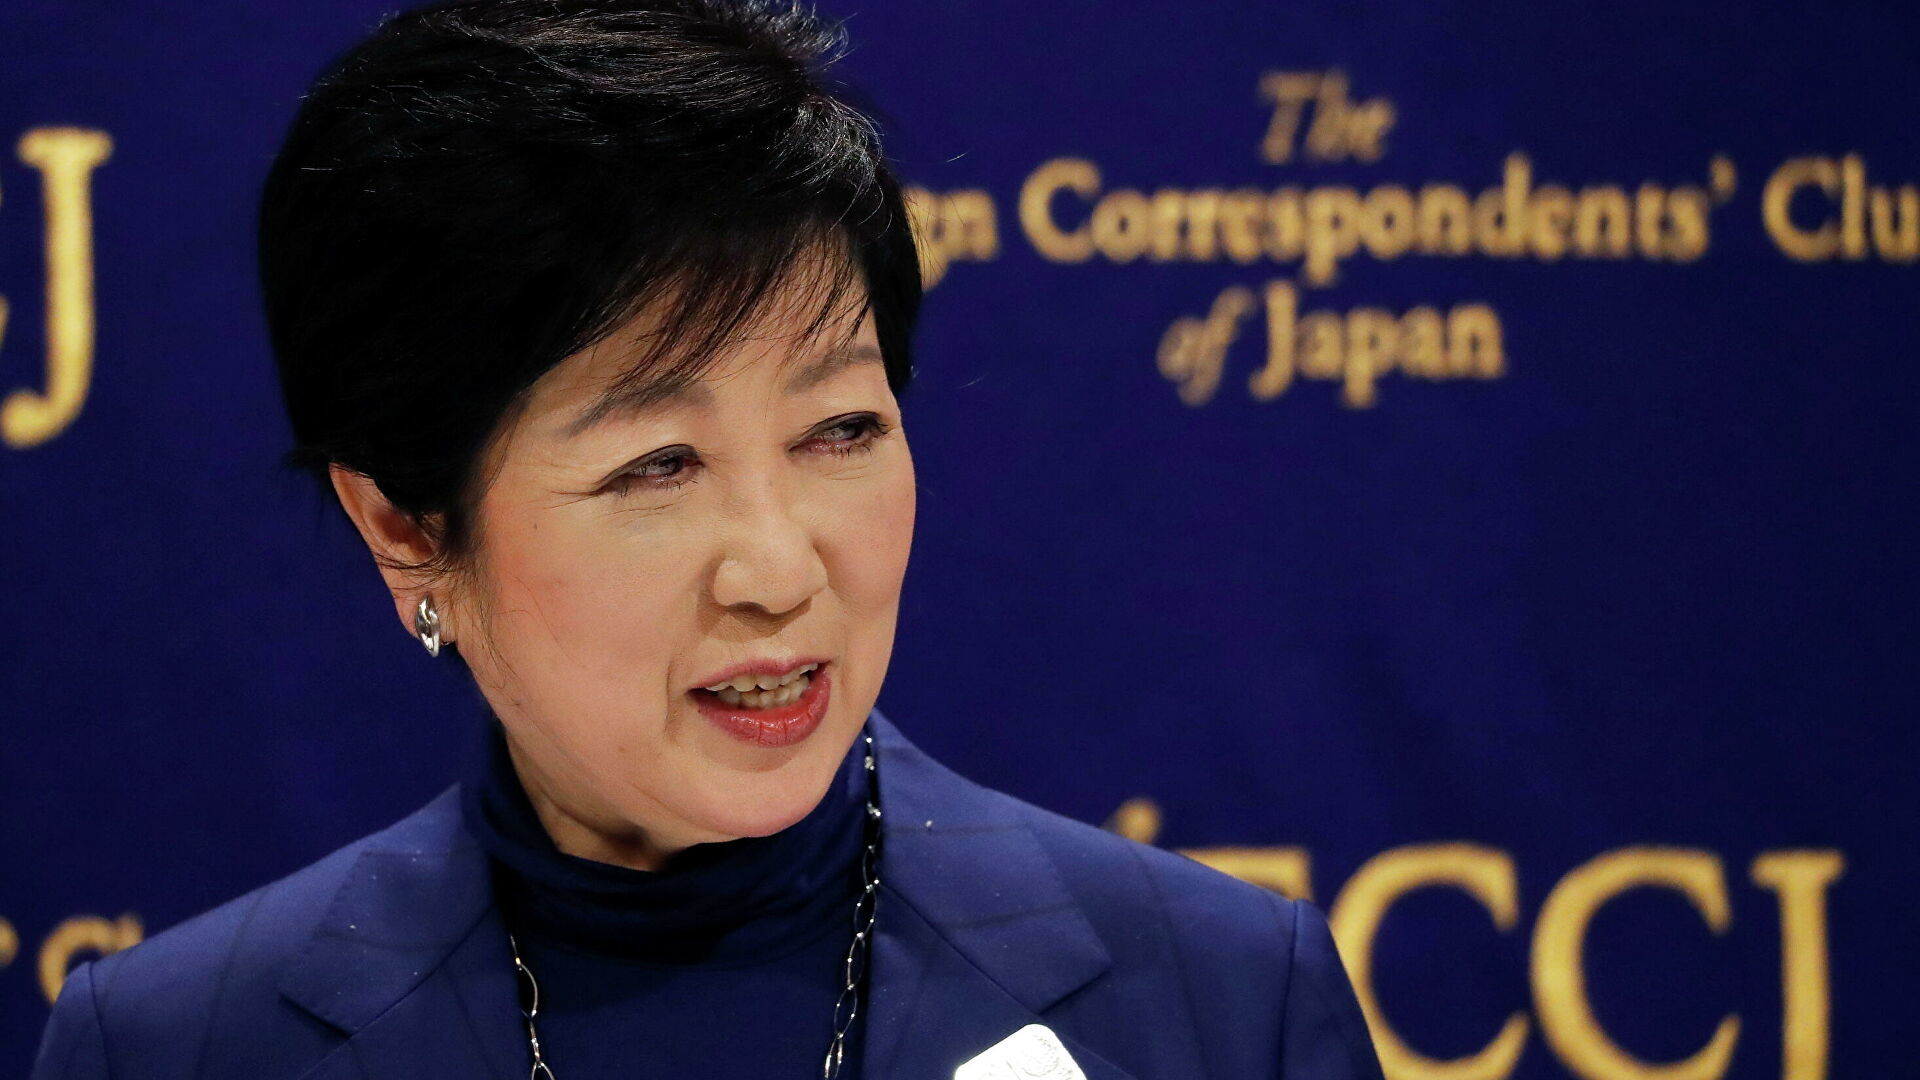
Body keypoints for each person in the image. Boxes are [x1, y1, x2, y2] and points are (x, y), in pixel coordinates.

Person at [30, 2, 1386, 1077]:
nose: (781, 572)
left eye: (840, 430)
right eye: (658, 466)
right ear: (405, 527)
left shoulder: (1219, 1004)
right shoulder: (175, 1048)